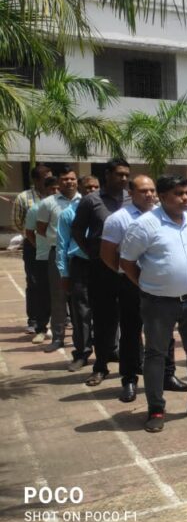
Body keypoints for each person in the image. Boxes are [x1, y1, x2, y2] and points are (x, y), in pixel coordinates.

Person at [120, 175, 187, 433]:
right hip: (158, 303)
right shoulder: (145, 225)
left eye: (186, 192)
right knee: (156, 354)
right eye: (178, 193)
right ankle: (156, 408)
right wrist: (147, 285)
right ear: (162, 197)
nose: (185, 198)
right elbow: (127, 261)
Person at [101, 175, 185, 402]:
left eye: (151, 190)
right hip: (131, 283)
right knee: (131, 332)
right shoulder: (118, 219)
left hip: (160, 285)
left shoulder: (163, 214)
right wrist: (131, 276)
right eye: (143, 191)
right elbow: (107, 254)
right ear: (131, 193)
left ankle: (167, 375)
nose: (149, 194)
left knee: (165, 332)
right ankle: (129, 379)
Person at [74, 158, 131, 381]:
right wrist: (91, 252)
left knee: (131, 317)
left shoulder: (131, 198)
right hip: (101, 268)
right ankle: (100, 366)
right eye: (119, 174)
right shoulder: (91, 200)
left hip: (129, 267)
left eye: (126, 175)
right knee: (103, 317)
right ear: (107, 175)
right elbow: (77, 231)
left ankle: (133, 364)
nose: (124, 178)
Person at [35, 165, 80, 353]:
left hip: (80, 255)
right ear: (58, 181)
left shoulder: (86, 201)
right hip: (57, 253)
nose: (69, 182)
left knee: (80, 297)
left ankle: (82, 338)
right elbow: (40, 229)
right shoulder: (48, 203)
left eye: (72, 178)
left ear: (77, 180)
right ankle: (58, 337)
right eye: (65, 179)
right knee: (58, 296)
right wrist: (58, 240)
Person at [58, 175, 99, 370]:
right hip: (80, 264)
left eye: (95, 187)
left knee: (109, 308)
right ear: (80, 189)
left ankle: (111, 348)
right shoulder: (68, 213)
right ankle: (82, 352)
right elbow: (62, 245)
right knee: (81, 311)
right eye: (88, 187)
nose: (92, 191)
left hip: (103, 263)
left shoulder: (107, 211)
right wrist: (64, 273)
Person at [13, 164, 51, 335]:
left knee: (55, 281)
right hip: (33, 245)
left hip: (53, 245)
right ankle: (34, 319)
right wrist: (33, 237)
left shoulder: (56, 195)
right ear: (36, 180)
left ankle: (61, 317)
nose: (50, 181)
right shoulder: (23, 198)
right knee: (35, 282)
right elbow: (17, 222)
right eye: (46, 178)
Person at [25, 178, 59, 345]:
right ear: (45, 190)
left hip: (64, 256)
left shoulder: (66, 207)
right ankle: (41, 329)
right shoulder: (36, 208)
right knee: (43, 294)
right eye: (52, 189)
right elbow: (30, 232)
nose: (56, 192)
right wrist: (39, 246)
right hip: (44, 257)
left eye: (58, 189)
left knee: (68, 294)